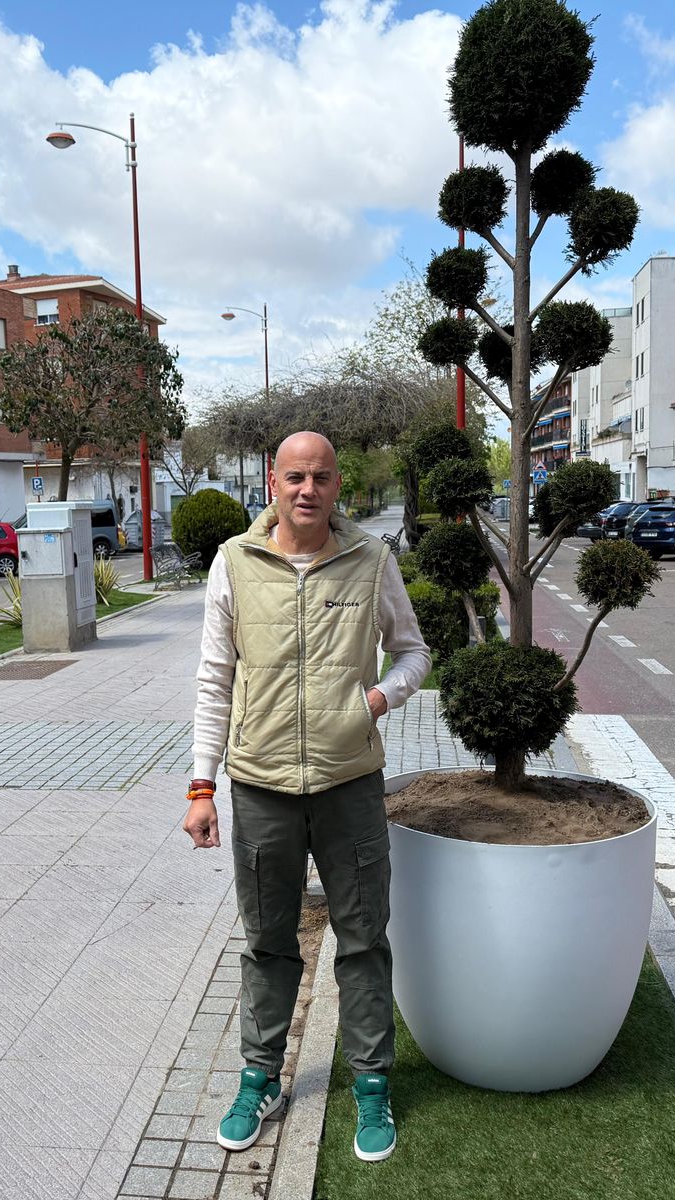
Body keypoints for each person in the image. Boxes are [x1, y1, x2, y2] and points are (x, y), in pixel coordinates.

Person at [185, 430, 430, 1164]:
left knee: (362, 939)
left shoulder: (370, 559)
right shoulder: (234, 563)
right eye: (295, 476)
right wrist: (202, 785)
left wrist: (380, 699)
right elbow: (212, 680)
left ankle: (372, 1086)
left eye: (321, 477)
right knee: (266, 941)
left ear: (337, 483)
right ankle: (259, 1076)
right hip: (260, 785)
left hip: (350, 784)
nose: (307, 490)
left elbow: (414, 649)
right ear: (273, 480)